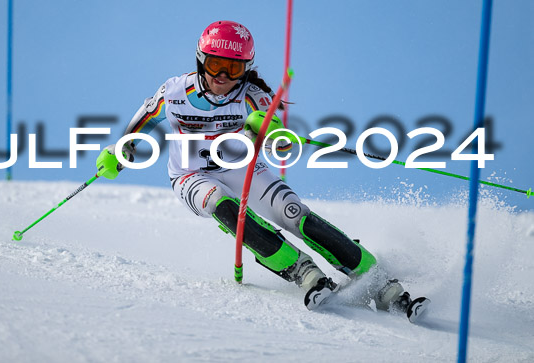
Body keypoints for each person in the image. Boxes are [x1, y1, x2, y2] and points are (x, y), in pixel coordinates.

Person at [95, 20, 428, 320]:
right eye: (215, 65)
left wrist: (268, 133)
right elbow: (140, 127)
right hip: (190, 174)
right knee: (221, 205)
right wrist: (118, 154)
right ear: (200, 60)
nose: (222, 77)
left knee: (293, 212)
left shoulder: (254, 96)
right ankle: (302, 271)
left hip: (241, 167)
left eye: (233, 69)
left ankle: (380, 283)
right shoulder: (174, 91)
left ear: (246, 69)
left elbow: (281, 145)